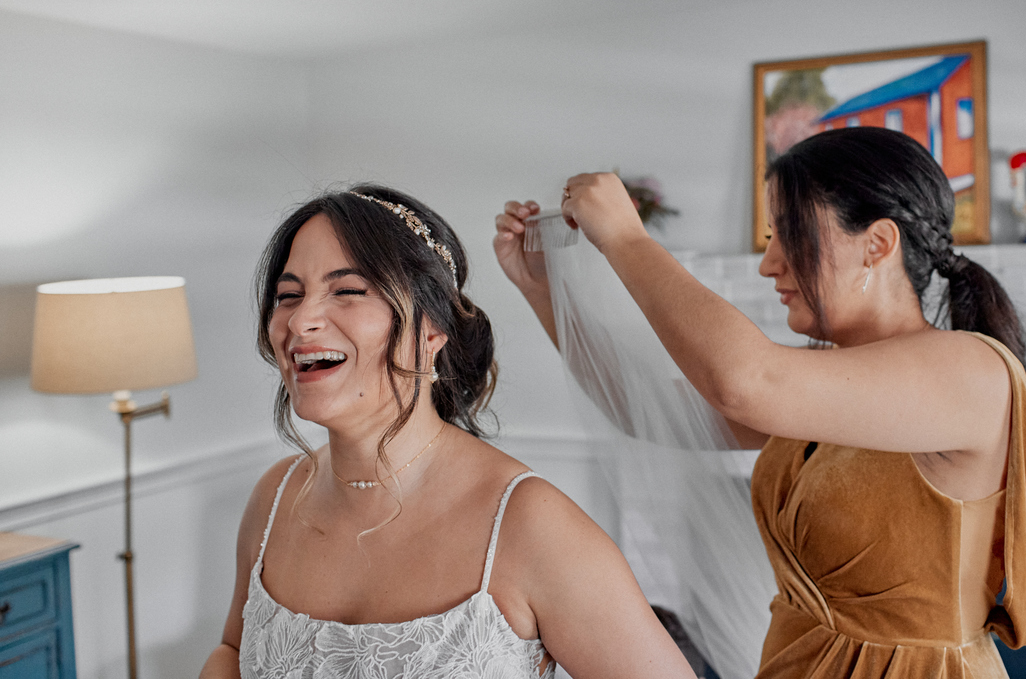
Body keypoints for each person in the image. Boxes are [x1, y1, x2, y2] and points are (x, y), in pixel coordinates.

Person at [495, 128, 1026, 678]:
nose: (769, 263)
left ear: (878, 244)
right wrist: (544, 291)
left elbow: (743, 383)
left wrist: (627, 239)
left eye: (791, 234)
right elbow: (638, 406)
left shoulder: (971, 371)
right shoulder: (821, 387)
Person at [200, 184, 696, 679]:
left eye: (348, 291)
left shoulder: (531, 525)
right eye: (288, 296)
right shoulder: (275, 497)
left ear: (432, 330)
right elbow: (232, 652)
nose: (300, 320)